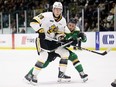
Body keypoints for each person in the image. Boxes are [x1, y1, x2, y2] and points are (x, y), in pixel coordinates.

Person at [24, 18, 88, 84]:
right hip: (53, 48)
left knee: (73, 56)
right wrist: (70, 41)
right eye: (70, 25)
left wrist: (83, 37)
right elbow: (61, 39)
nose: (71, 27)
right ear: (67, 24)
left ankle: (80, 73)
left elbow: (83, 40)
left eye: (73, 26)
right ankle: (29, 74)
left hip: (60, 49)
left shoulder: (76, 31)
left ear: (75, 26)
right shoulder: (63, 29)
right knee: (45, 63)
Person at [24, 2, 72, 85]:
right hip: (42, 39)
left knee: (65, 53)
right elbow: (33, 22)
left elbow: (59, 33)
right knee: (44, 56)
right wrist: (39, 29)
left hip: (52, 41)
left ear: (61, 10)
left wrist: (61, 38)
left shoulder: (63, 21)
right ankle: (33, 76)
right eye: (56, 9)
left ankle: (61, 74)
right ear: (53, 9)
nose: (57, 11)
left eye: (59, 9)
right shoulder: (45, 15)